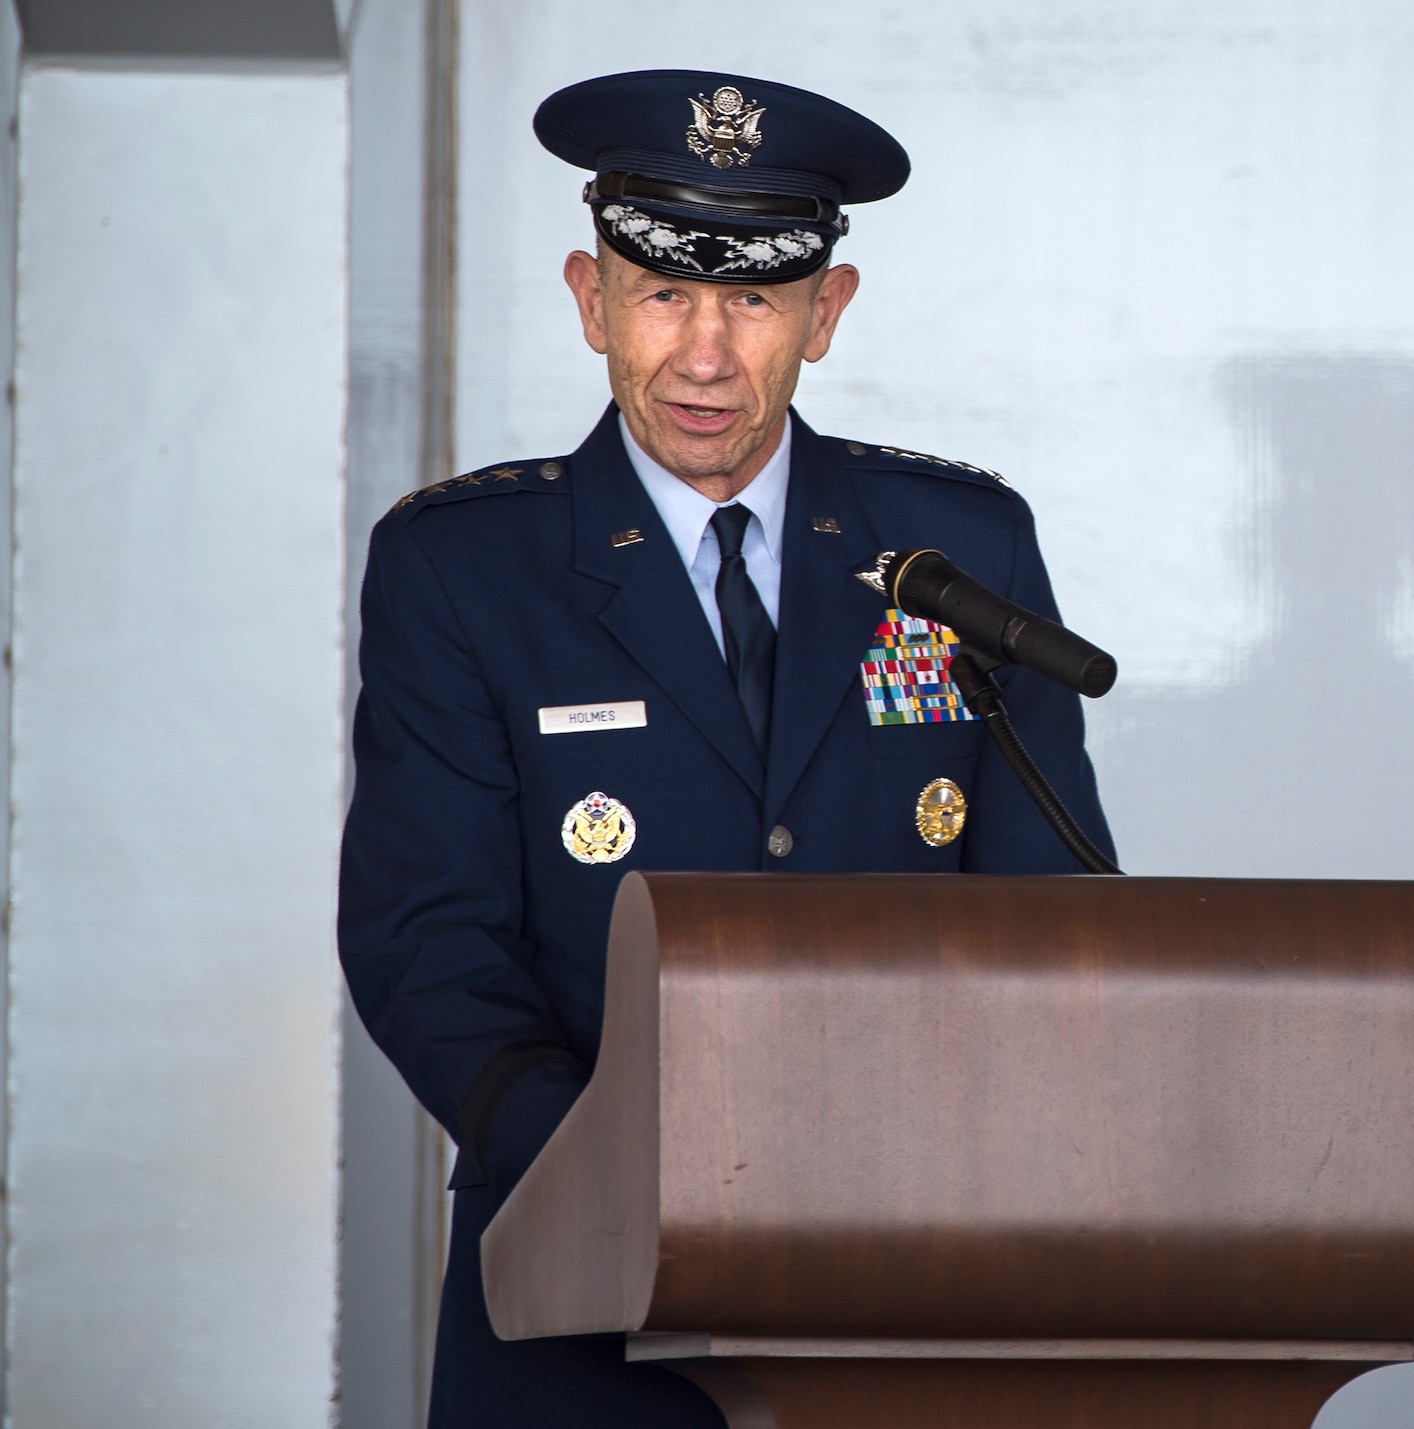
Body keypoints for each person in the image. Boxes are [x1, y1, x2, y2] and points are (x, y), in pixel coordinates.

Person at [337, 69, 1114, 1427]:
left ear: (827, 311)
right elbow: (425, 939)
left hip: (905, 1287)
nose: (705, 352)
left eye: (753, 298)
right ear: (590, 299)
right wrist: (623, 1180)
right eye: (662, 293)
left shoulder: (958, 557)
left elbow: (1049, 915)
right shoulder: (463, 569)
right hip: (575, 1304)